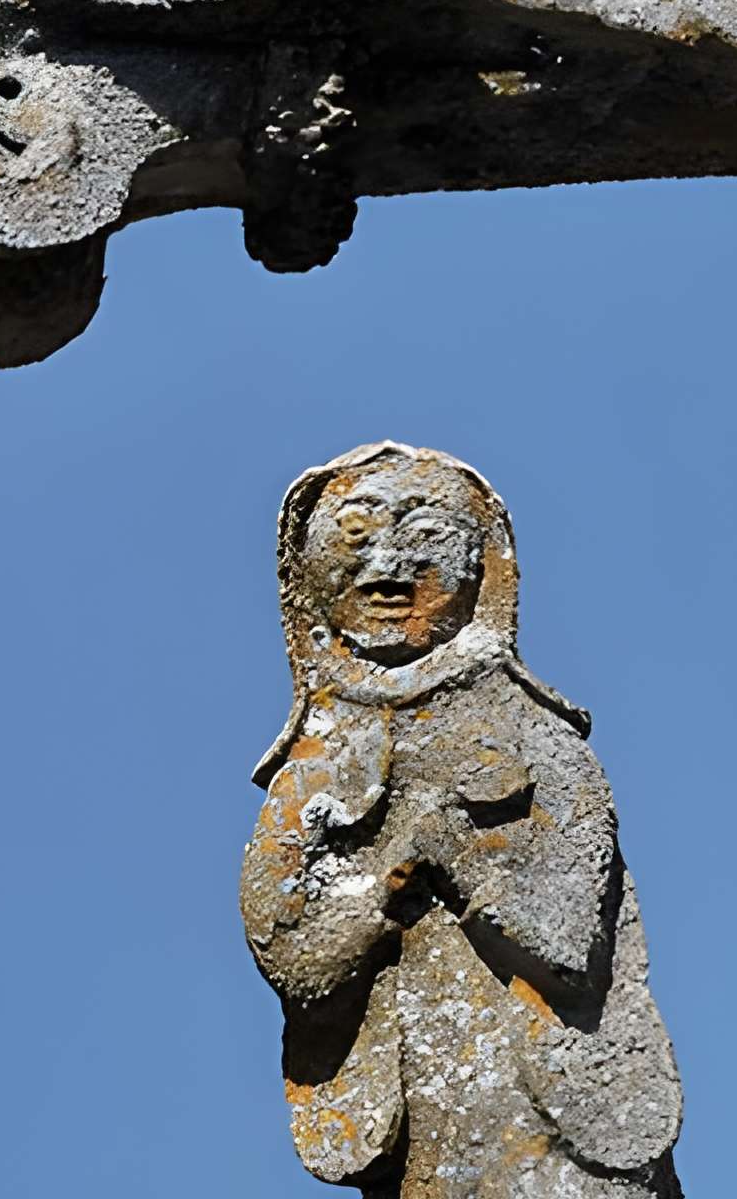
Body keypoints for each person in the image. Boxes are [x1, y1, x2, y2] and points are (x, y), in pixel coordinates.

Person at [243, 442, 685, 1197]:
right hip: (417, 1123)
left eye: (424, 534)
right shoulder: (313, 766)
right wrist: (382, 894)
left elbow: (571, 946)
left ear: (482, 565)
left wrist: (458, 860)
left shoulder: (530, 733)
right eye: (354, 535)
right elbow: (290, 950)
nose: (388, 565)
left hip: (553, 1119)